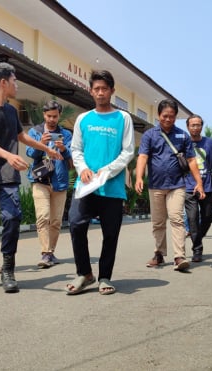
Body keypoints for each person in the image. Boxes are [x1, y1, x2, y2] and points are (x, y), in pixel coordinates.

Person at [0, 62, 61, 293]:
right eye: (14, 80)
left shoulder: (11, 110)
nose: (16, 85)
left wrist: (46, 148)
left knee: (12, 218)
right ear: (3, 82)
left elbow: (22, 137)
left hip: (8, 177)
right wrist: (9, 156)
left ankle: (8, 271)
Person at [65, 70, 134, 296]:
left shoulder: (123, 118)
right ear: (91, 91)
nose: (101, 92)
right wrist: (83, 168)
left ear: (112, 91)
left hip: (112, 188)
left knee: (110, 233)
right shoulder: (83, 119)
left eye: (105, 88)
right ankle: (84, 273)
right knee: (76, 224)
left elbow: (128, 152)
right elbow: (76, 149)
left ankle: (105, 277)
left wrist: (107, 170)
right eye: (97, 89)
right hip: (85, 186)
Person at [135, 99, 205, 271]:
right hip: (155, 185)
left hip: (177, 185)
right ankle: (159, 254)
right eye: (165, 116)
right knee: (158, 222)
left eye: (172, 117)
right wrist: (138, 178)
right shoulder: (149, 135)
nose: (168, 119)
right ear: (159, 116)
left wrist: (199, 182)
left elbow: (191, 160)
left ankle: (179, 256)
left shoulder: (183, 136)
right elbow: (143, 156)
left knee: (176, 219)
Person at [26, 100, 73, 269]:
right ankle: (45, 253)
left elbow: (71, 155)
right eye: (49, 116)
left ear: (59, 115)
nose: (52, 119)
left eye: (55, 116)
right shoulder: (35, 132)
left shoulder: (66, 134)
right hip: (40, 181)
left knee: (56, 221)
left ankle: (51, 252)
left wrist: (62, 148)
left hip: (59, 182)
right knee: (43, 217)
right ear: (44, 115)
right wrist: (43, 144)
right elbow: (30, 152)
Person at [184, 114, 212, 262]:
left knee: (206, 218)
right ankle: (197, 250)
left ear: (201, 126)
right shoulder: (183, 143)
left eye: (198, 124)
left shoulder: (209, 143)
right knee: (192, 219)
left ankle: (197, 239)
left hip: (206, 187)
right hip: (188, 187)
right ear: (188, 127)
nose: (195, 127)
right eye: (192, 125)